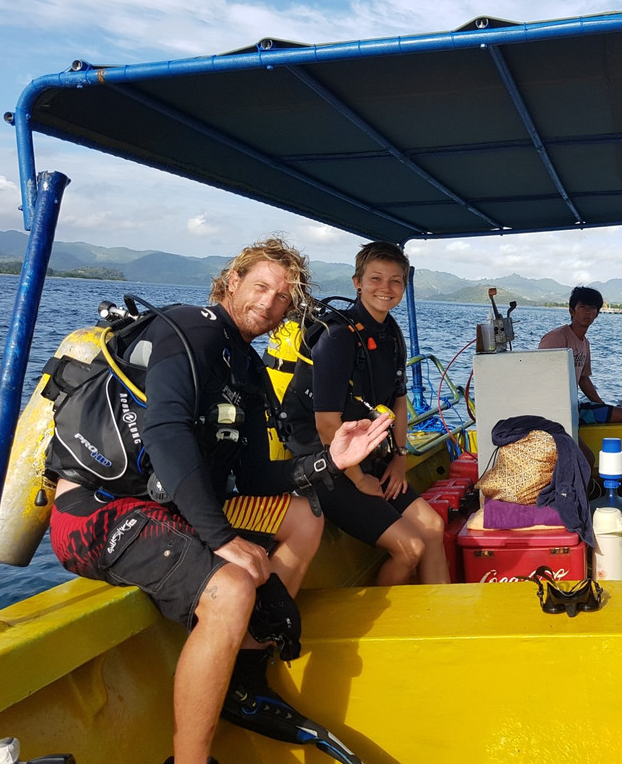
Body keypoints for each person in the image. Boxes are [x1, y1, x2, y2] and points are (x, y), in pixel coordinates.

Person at [47, 237, 393, 764]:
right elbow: (164, 431)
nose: (269, 303)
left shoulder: (247, 370)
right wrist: (222, 540)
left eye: (282, 297)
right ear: (232, 281)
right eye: (260, 286)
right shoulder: (190, 330)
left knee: (303, 516)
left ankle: (244, 681)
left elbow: (255, 474)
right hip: (96, 512)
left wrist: (331, 460)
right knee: (231, 588)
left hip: (172, 508)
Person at [282, 241, 449, 586]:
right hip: (327, 466)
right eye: (375, 279)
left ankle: (443, 621)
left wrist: (400, 459)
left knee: (433, 527)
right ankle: (394, 631)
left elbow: (400, 401)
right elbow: (326, 423)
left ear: (404, 286)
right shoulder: (337, 336)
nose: (385, 289)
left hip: (369, 459)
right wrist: (359, 479)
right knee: (410, 548)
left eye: (395, 281)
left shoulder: (390, 333)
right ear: (357, 282)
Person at [538, 286, 622, 425]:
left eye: (592, 307)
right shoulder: (557, 337)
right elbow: (541, 376)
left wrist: (602, 405)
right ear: (572, 311)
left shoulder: (585, 343)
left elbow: (583, 379)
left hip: (573, 405)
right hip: (553, 407)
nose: (587, 312)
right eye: (582, 307)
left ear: (597, 313)